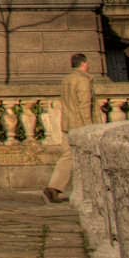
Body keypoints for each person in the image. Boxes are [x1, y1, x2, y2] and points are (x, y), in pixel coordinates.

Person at [44, 52, 94, 203]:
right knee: (89, 156)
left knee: (67, 156)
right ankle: (91, 189)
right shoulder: (83, 80)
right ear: (84, 64)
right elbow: (85, 105)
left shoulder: (66, 80)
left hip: (67, 123)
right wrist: (89, 127)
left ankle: (53, 188)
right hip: (80, 124)